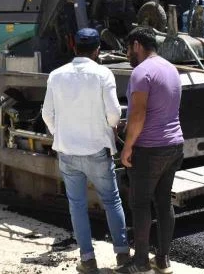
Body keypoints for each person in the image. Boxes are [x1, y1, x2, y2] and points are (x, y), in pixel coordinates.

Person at [42, 28, 131, 274]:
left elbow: (47, 114)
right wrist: (109, 127)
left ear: (73, 47)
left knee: (77, 205)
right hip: (97, 150)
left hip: (68, 152)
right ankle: (122, 255)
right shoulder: (103, 74)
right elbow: (114, 114)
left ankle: (88, 260)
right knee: (111, 200)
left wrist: (60, 133)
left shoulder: (56, 75)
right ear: (97, 51)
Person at [115, 27, 184, 274]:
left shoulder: (141, 72)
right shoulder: (171, 68)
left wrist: (128, 147)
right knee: (164, 202)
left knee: (141, 203)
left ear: (136, 45)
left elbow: (139, 114)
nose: (127, 54)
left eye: (128, 48)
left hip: (149, 148)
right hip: (174, 145)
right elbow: (162, 108)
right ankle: (163, 260)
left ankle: (141, 262)